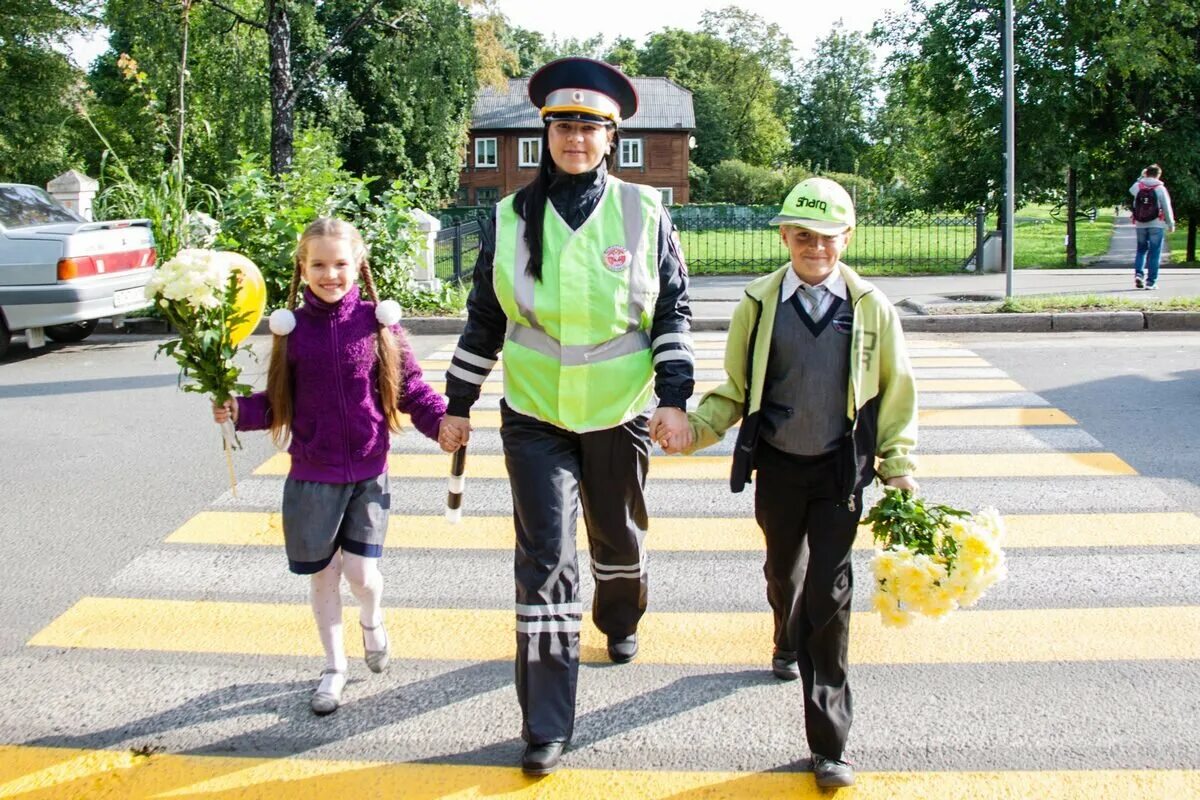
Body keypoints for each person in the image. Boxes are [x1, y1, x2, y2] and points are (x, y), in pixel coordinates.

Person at [438, 57, 694, 775]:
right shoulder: (509, 216)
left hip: (618, 411)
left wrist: (673, 399)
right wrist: (457, 406)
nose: (575, 138)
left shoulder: (644, 212)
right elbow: (485, 318)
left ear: (611, 135)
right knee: (545, 562)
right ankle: (545, 724)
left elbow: (672, 309)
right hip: (535, 416)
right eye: (563, 126)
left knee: (617, 540)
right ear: (546, 133)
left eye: (590, 126)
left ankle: (620, 617)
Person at [673, 177, 918, 789]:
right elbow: (733, 390)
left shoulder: (871, 309)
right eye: (803, 236)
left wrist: (896, 464)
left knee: (830, 599)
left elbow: (895, 392)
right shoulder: (757, 306)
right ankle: (784, 634)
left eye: (828, 237)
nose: (816, 248)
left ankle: (830, 744)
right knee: (786, 574)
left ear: (848, 237)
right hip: (778, 468)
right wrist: (694, 430)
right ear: (784, 236)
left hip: (841, 472)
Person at [212, 217, 447, 716]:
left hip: (367, 470)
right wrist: (237, 409)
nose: (330, 274)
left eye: (340, 264)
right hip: (312, 474)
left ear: (358, 266)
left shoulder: (379, 325)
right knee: (322, 575)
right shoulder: (292, 333)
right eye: (318, 264)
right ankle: (334, 668)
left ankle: (372, 617)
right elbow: (277, 403)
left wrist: (443, 423)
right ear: (303, 267)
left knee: (362, 573)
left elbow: (412, 392)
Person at [1129, 163, 1176, 289]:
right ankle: (1151, 282)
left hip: (1140, 224)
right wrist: (1171, 223)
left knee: (1141, 250)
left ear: (1146, 173)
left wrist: (1141, 177)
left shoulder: (1137, 186)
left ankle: (1139, 274)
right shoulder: (1160, 189)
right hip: (1156, 224)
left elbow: (1131, 189)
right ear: (1158, 175)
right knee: (1154, 253)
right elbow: (1166, 207)